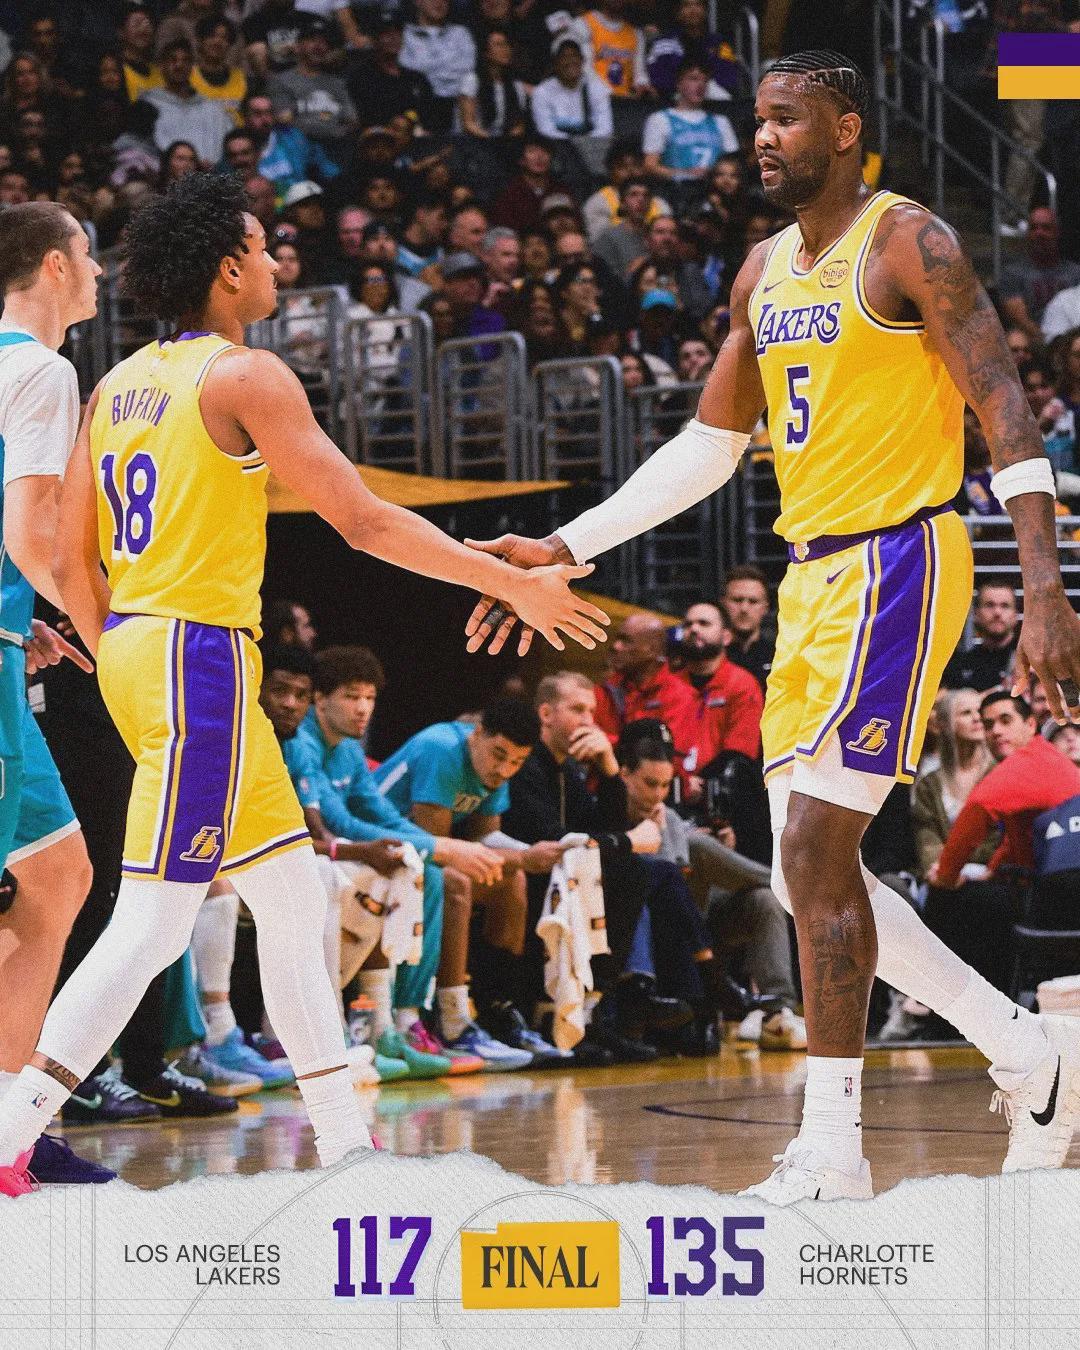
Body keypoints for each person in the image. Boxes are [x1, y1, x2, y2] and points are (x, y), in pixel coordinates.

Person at [462, 49, 1080, 1202]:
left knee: (813, 852)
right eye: (757, 118)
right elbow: (709, 445)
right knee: (805, 878)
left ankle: (834, 1150)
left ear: (845, 128)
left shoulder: (909, 241)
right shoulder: (761, 269)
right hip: (812, 578)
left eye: (787, 118)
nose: (762, 136)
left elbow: (1004, 402)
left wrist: (1044, 586)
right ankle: (1026, 1049)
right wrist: (567, 544)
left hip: (902, 555)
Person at [0, 172, 606, 1197]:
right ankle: (8, 1133)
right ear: (226, 267)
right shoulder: (246, 376)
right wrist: (507, 579)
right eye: (263, 246)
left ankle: (346, 1153)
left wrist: (122, 656)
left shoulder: (114, 386)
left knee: (290, 897)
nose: (278, 261)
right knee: (153, 919)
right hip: (195, 654)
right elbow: (362, 520)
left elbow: (69, 558)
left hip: (148, 650)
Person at [0, 203, 118, 1189]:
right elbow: (33, 532)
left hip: (5, 648)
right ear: (52, 265)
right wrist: (115, 630)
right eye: (88, 254)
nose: (99, 271)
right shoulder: (41, 369)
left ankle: (13, 1126)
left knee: (54, 878)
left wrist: (17, 616)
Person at [375, 699, 569, 1066]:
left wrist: (533, 853)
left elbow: (485, 836)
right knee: (455, 883)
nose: (504, 770)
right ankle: (452, 1019)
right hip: (379, 849)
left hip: (418, 855)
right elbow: (439, 849)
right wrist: (524, 857)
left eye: (517, 762)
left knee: (511, 882)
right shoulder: (442, 750)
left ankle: (497, 1008)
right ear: (477, 734)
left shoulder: (495, 767)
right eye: (499, 755)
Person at [941, 579, 1021, 691]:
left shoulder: (1029, 662)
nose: (997, 612)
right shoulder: (961, 664)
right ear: (976, 613)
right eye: (989, 605)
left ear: (1015, 614)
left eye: (1005, 606)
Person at [720, 564, 775, 693]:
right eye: (737, 600)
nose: (744, 609)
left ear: (765, 607)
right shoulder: (709, 658)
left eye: (753, 601)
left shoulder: (779, 657)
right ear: (723, 603)